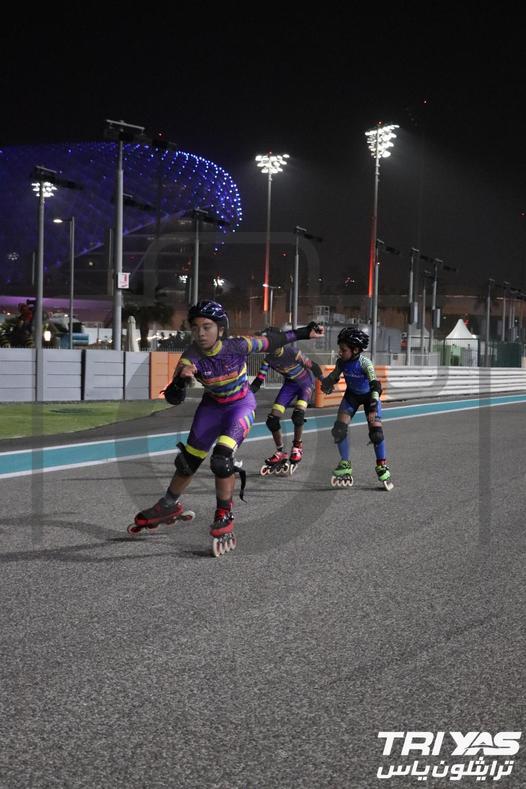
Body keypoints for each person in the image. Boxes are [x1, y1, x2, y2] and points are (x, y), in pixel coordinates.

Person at [129, 300, 323, 553]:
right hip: (211, 408)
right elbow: (173, 399)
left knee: (221, 460)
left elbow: (273, 341)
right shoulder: (190, 357)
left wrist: (304, 332)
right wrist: (180, 381)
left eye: (207, 327)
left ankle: (224, 514)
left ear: (220, 329)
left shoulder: (238, 345)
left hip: (240, 406)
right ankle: (168, 504)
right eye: (195, 328)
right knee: (187, 462)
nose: (200, 333)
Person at [320, 327, 393, 490]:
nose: (340, 352)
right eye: (340, 349)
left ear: (355, 350)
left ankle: (382, 465)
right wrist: (327, 382)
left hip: (369, 397)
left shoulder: (365, 363)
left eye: (343, 350)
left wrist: (373, 405)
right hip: (352, 395)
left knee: (376, 433)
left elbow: (375, 385)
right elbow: (334, 375)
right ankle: (345, 464)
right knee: (339, 430)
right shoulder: (341, 362)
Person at [249, 331, 324, 474]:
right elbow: (258, 381)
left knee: (298, 416)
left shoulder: (293, 352)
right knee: (272, 420)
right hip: (289, 386)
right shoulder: (268, 360)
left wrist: (324, 381)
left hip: (305, 384)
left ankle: (297, 446)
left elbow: (313, 366)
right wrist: (245, 394)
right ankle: (280, 452)